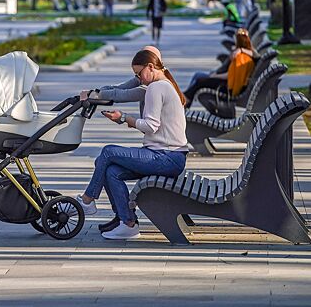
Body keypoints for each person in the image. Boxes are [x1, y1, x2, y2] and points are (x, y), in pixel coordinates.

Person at [76, 47, 188, 240]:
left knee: (108, 152)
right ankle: (127, 222)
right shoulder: (163, 84)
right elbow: (120, 90)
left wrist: (123, 118)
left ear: (151, 66)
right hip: (167, 156)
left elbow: (150, 126)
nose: (139, 78)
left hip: (166, 157)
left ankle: (88, 200)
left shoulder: (156, 87)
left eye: (139, 73)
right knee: (111, 171)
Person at [183, 28, 256, 108]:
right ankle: (186, 101)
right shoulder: (244, 56)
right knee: (198, 77)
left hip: (226, 88)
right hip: (226, 84)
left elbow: (229, 76)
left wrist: (214, 76)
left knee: (199, 81)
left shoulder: (241, 58)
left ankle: (185, 101)